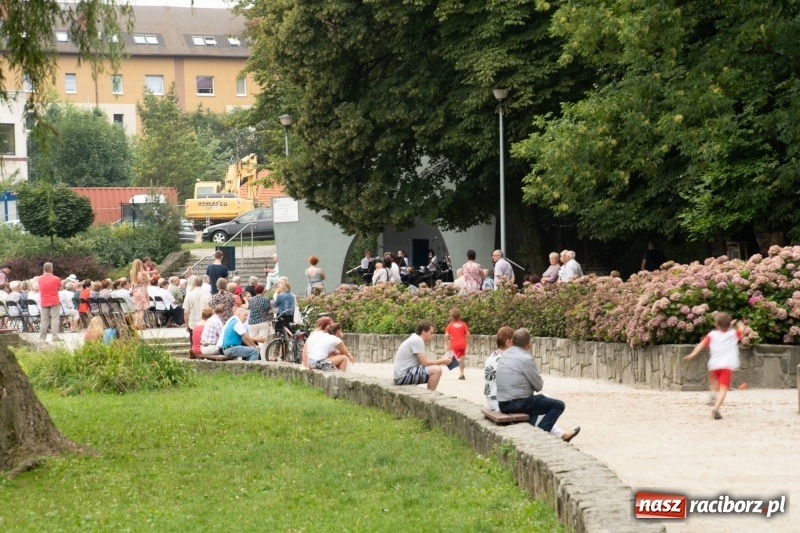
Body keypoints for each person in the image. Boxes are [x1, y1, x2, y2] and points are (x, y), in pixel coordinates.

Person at [485, 327, 576, 441]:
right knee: (558, 405)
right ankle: (542, 437)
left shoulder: (504, 355)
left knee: (536, 407)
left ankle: (541, 435)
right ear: (528, 344)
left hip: (502, 403)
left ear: (513, 342)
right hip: (517, 403)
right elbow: (538, 386)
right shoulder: (525, 358)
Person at [683, 312, 745, 420]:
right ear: (728, 324)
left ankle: (712, 393)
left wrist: (693, 354)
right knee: (723, 388)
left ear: (716, 324)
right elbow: (742, 328)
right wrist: (737, 322)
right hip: (726, 366)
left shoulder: (712, 335)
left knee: (712, 381)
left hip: (714, 365)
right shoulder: (732, 334)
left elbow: (701, 344)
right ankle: (716, 408)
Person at [393, 320, 453, 391]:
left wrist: (443, 360)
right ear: (424, 332)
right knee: (436, 370)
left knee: (434, 369)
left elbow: (424, 363)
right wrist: (443, 361)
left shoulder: (415, 338)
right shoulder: (417, 340)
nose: (432, 336)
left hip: (401, 375)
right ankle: (430, 396)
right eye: (431, 333)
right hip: (403, 376)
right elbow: (424, 363)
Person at [183, 275, 211, 346]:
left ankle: (194, 353)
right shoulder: (208, 294)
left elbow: (186, 311)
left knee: (193, 342)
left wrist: (186, 324)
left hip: (193, 321)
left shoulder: (189, 295)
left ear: (193, 283)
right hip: (205, 321)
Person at [37, 262, 62, 342]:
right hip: (54, 299)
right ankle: (55, 337)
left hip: (44, 300)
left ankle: (42, 336)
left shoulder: (40, 278)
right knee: (55, 319)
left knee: (44, 319)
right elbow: (60, 288)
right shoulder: (56, 279)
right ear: (51, 269)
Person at [247, 284, 272, 359]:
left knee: (252, 341)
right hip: (263, 322)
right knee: (263, 342)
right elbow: (269, 309)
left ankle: (253, 357)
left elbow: (249, 308)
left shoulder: (251, 300)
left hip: (252, 322)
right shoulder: (266, 299)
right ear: (263, 290)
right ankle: (263, 359)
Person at [444, 307, 469, 380]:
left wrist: (446, 344)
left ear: (451, 317)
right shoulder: (463, 324)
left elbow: (446, 335)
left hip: (454, 344)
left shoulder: (450, 325)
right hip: (462, 344)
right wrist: (467, 342)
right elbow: (468, 334)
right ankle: (461, 373)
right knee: (461, 358)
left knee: (456, 359)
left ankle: (454, 366)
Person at [130, 258, 151, 329]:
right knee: (142, 309)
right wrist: (147, 272)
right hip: (142, 290)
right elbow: (148, 280)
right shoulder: (142, 272)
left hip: (136, 290)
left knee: (138, 309)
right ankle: (139, 324)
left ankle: (136, 324)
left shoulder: (132, 272)